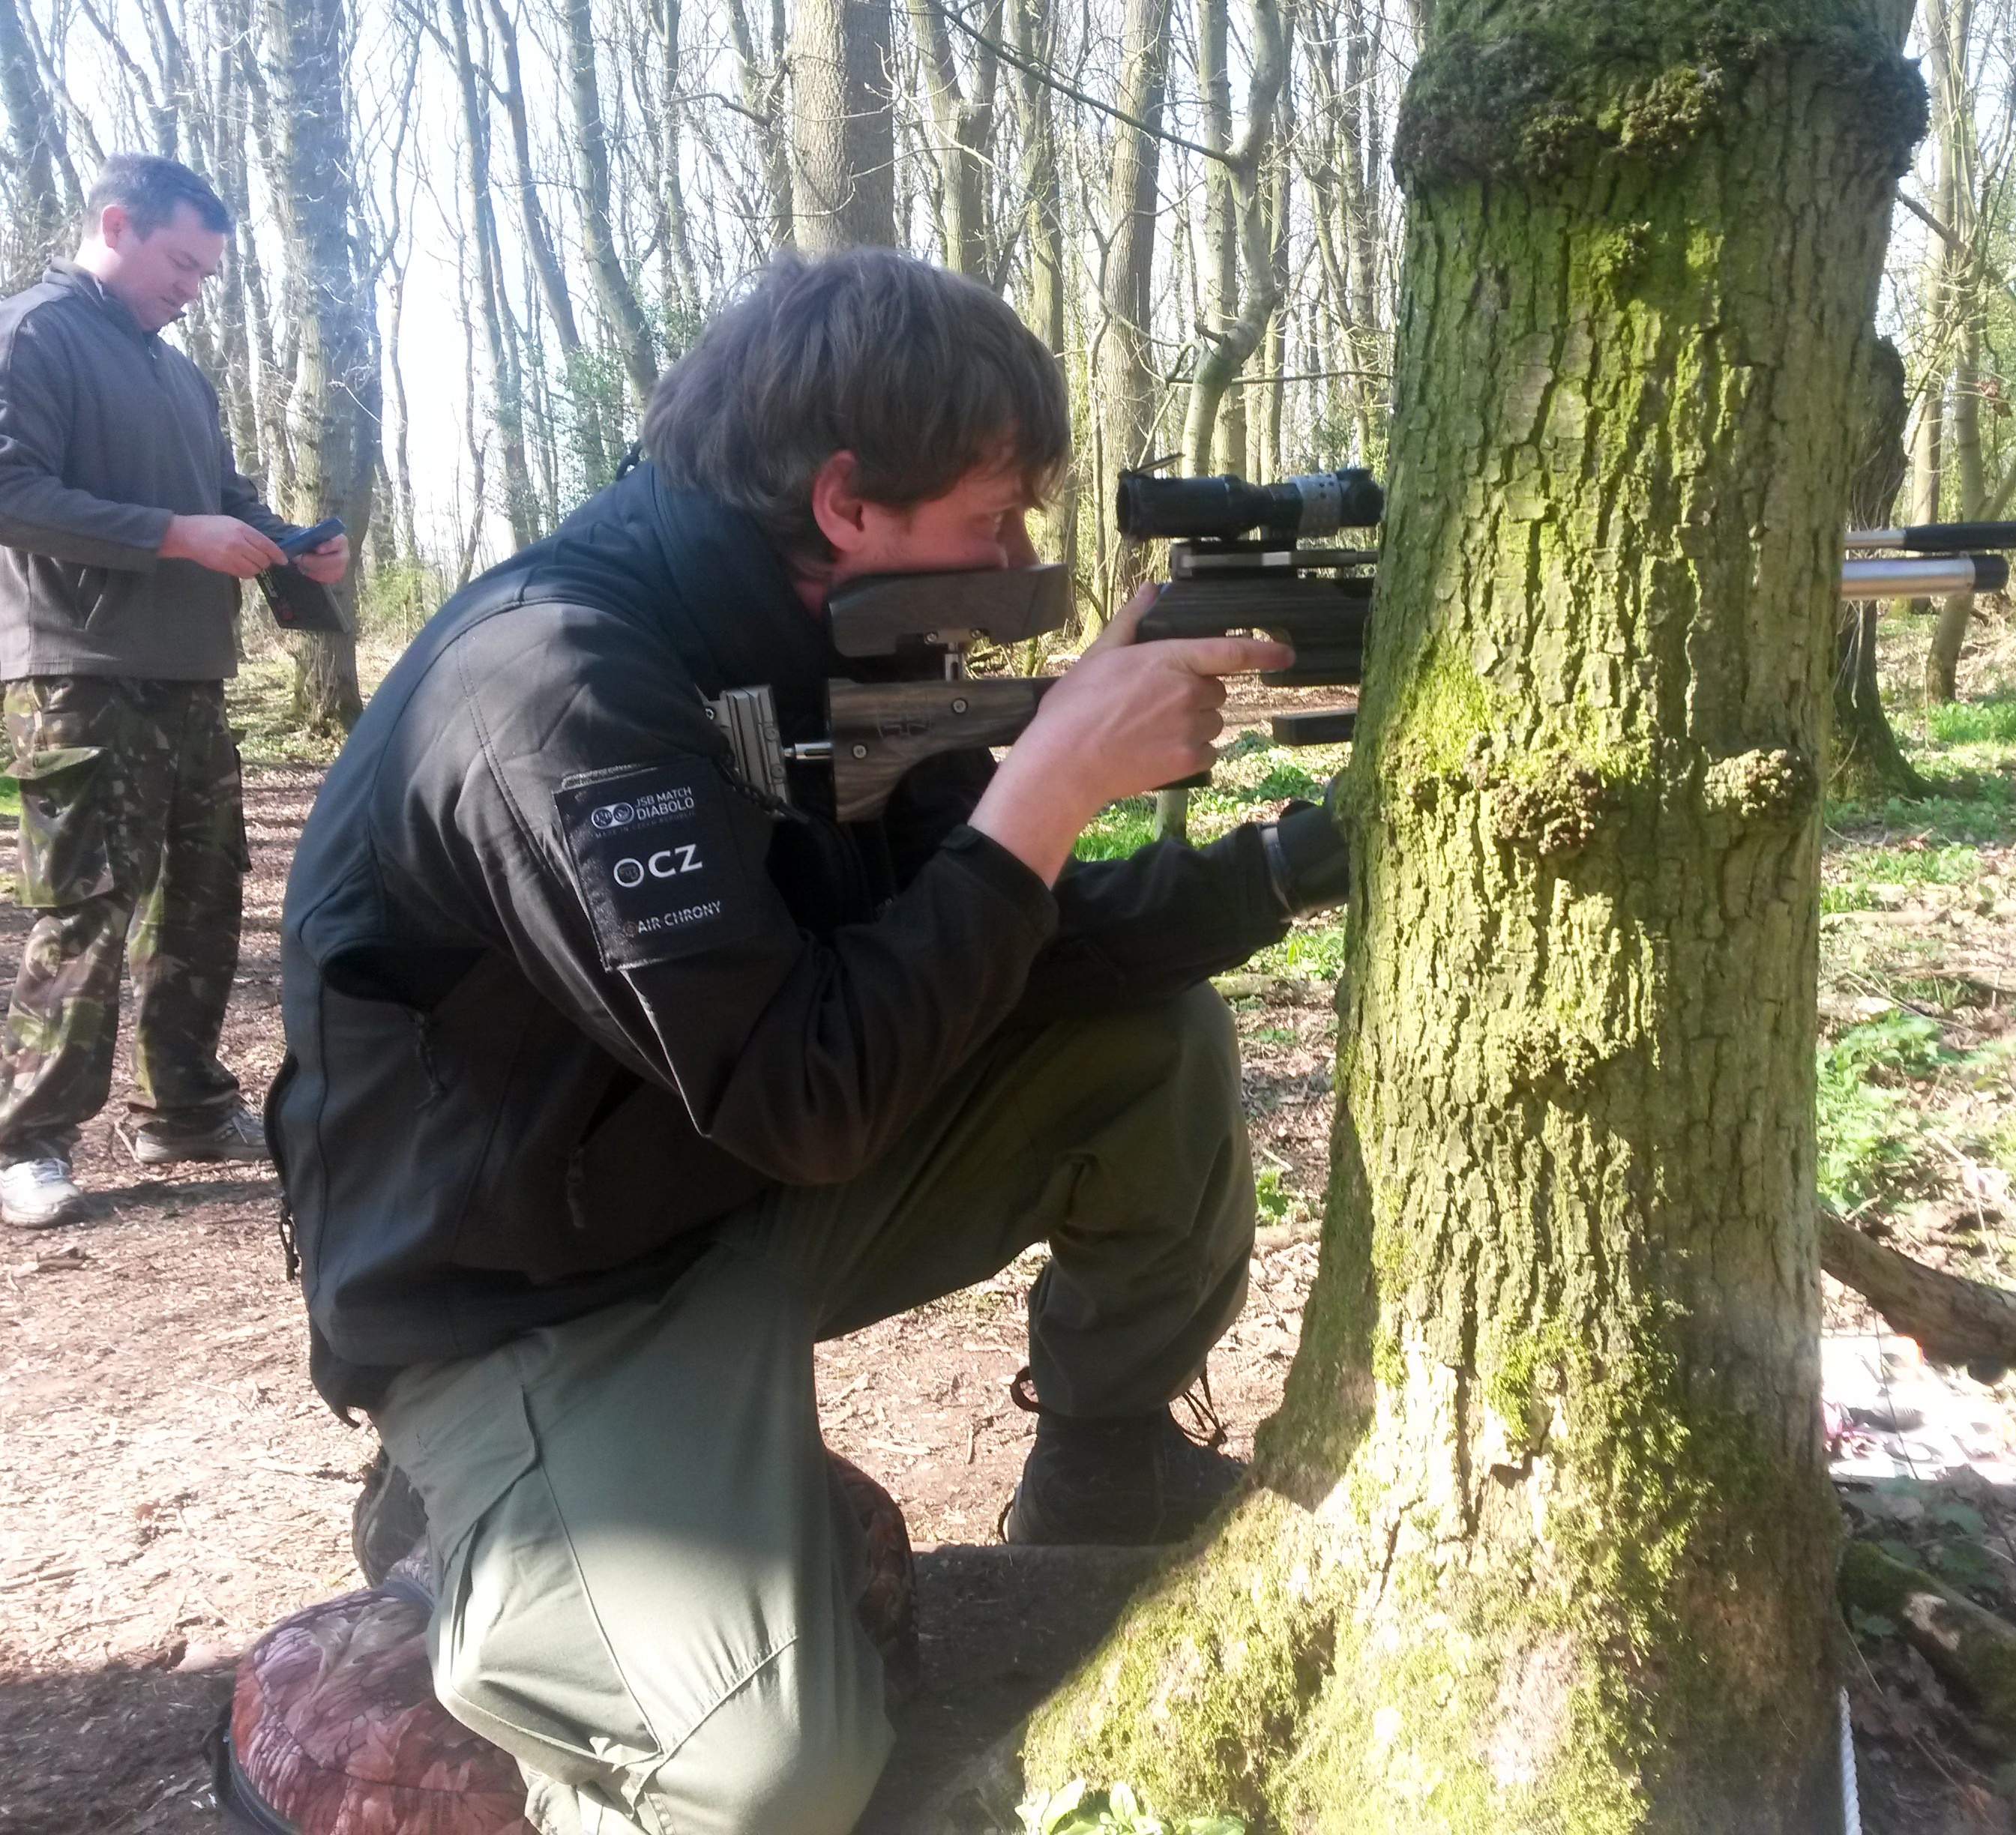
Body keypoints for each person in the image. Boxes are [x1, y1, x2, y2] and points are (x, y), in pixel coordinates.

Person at [273, 250, 1346, 1834]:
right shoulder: (555, 687)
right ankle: (473, 1517)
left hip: (725, 1193)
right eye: (996, 518)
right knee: (764, 1776)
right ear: (848, 501)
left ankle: (1106, 1457)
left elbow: (1000, 936)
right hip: (526, 1300)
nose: (1020, 560)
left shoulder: (826, 644)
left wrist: (1292, 863)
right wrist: (1051, 780)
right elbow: (806, 1093)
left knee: (1144, 1047)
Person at [0, 152, 348, 1228]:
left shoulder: (178, 375)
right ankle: (29, 1140)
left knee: (203, 898)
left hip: (193, 673)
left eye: (207, 274)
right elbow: (11, 490)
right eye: (182, 264)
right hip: (79, 673)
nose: (193, 289)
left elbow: (223, 500)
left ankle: (186, 1108)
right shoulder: (32, 336)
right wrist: (172, 535)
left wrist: (293, 544)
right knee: (86, 901)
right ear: (117, 225)